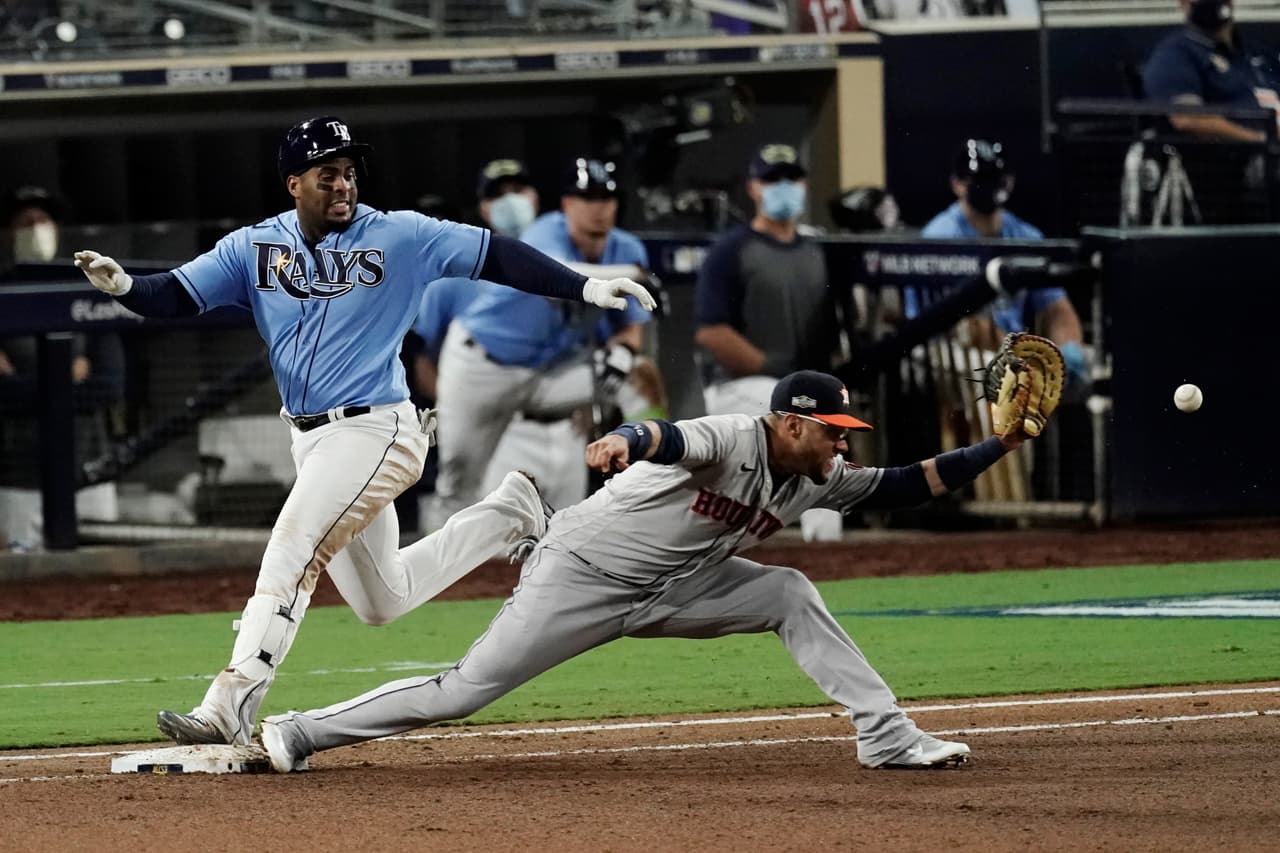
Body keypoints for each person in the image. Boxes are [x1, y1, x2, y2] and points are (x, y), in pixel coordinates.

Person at [71, 115, 656, 748]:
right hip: (312, 439)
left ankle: (228, 704)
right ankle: (509, 512)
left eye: (350, 172)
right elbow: (179, 294)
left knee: (292, 549)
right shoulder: (253, 246)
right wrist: (126, 286)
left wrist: (585, 287)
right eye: (329, 174)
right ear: (295, 183)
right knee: (383, 600)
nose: (344, 184)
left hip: (379, 430)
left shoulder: (402, 235)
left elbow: (495, 255)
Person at [260, 369, 1034, 773]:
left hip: (675, 589)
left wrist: (996, 447)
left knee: (790, 591)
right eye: (831, 432)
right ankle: (302, 731)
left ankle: (886, 735)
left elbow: (905, 484)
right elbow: (668, 435)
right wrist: (625, 440)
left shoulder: (815, 476)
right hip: (582, 573)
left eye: (843, 433)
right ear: (792, 422)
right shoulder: (734, 436)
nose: (842, 445)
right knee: (462, 690)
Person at [425, 155, 665, 530]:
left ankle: (657, 483)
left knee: (640, 374)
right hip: (483, 367)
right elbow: (562, 278)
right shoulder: (544, 231)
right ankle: (445, 584)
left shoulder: (627, 249)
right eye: (588, 198)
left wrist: (623, 352)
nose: (599, 208)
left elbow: (631, 326)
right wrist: (633, 276)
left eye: (607, 198)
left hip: (551, 376)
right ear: (567, 203)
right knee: (458, 484)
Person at [411, 159, 599, 511]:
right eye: (498, 194)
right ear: (483, 207)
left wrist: (592, 403)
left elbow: (593, 342)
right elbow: (424, 361)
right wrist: (466, 409)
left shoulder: (573, 261)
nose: (511, 199)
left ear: (536, 198)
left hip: (561, 424)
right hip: (497, 423)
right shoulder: (453, 277)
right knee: (499, 536)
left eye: (518, 190)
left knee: (568, 535)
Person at [694, 143, 843, 542]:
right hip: (737, 387)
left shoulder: (815, 251)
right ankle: (822, 542)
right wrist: (778, 370)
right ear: (754, 188)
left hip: (794, 389)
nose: (783, 187)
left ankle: (826, 552)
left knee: (822, 431)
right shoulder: (731, 250)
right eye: (772, 179)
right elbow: (712, 331)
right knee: (815, 428)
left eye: (790, 178)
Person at [0, 185, 123, 551]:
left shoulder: (89, 289)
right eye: (25, 221)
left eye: (42, 220)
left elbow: (109, 385)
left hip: (90, 473)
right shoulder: (4, 293)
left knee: (105, 574)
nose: (35, 228)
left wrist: (25, 383)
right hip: (19, 477)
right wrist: (64, 378)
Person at [918, 139, 1088, 388]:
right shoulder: (939, 237)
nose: (987, 186)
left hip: (1014, 356)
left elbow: (1056, 309)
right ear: (957, 184)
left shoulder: (1025, 237)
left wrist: (1066, 354)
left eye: (994, 178)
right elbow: (944, 326)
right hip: (955, 359)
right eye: (979, 179)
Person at [1142, 0, 1278, 144]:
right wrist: (1261, 140)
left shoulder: (1245, 51)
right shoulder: (1175, 55)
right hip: (1244, 156)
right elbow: (1189, 119)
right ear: (1184, 4)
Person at [1, 184, 62, 270]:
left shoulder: (77, 276)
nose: (36, 227)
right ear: (7, 234)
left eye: (42, 220)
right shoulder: (5, 281)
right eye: (27, 222)